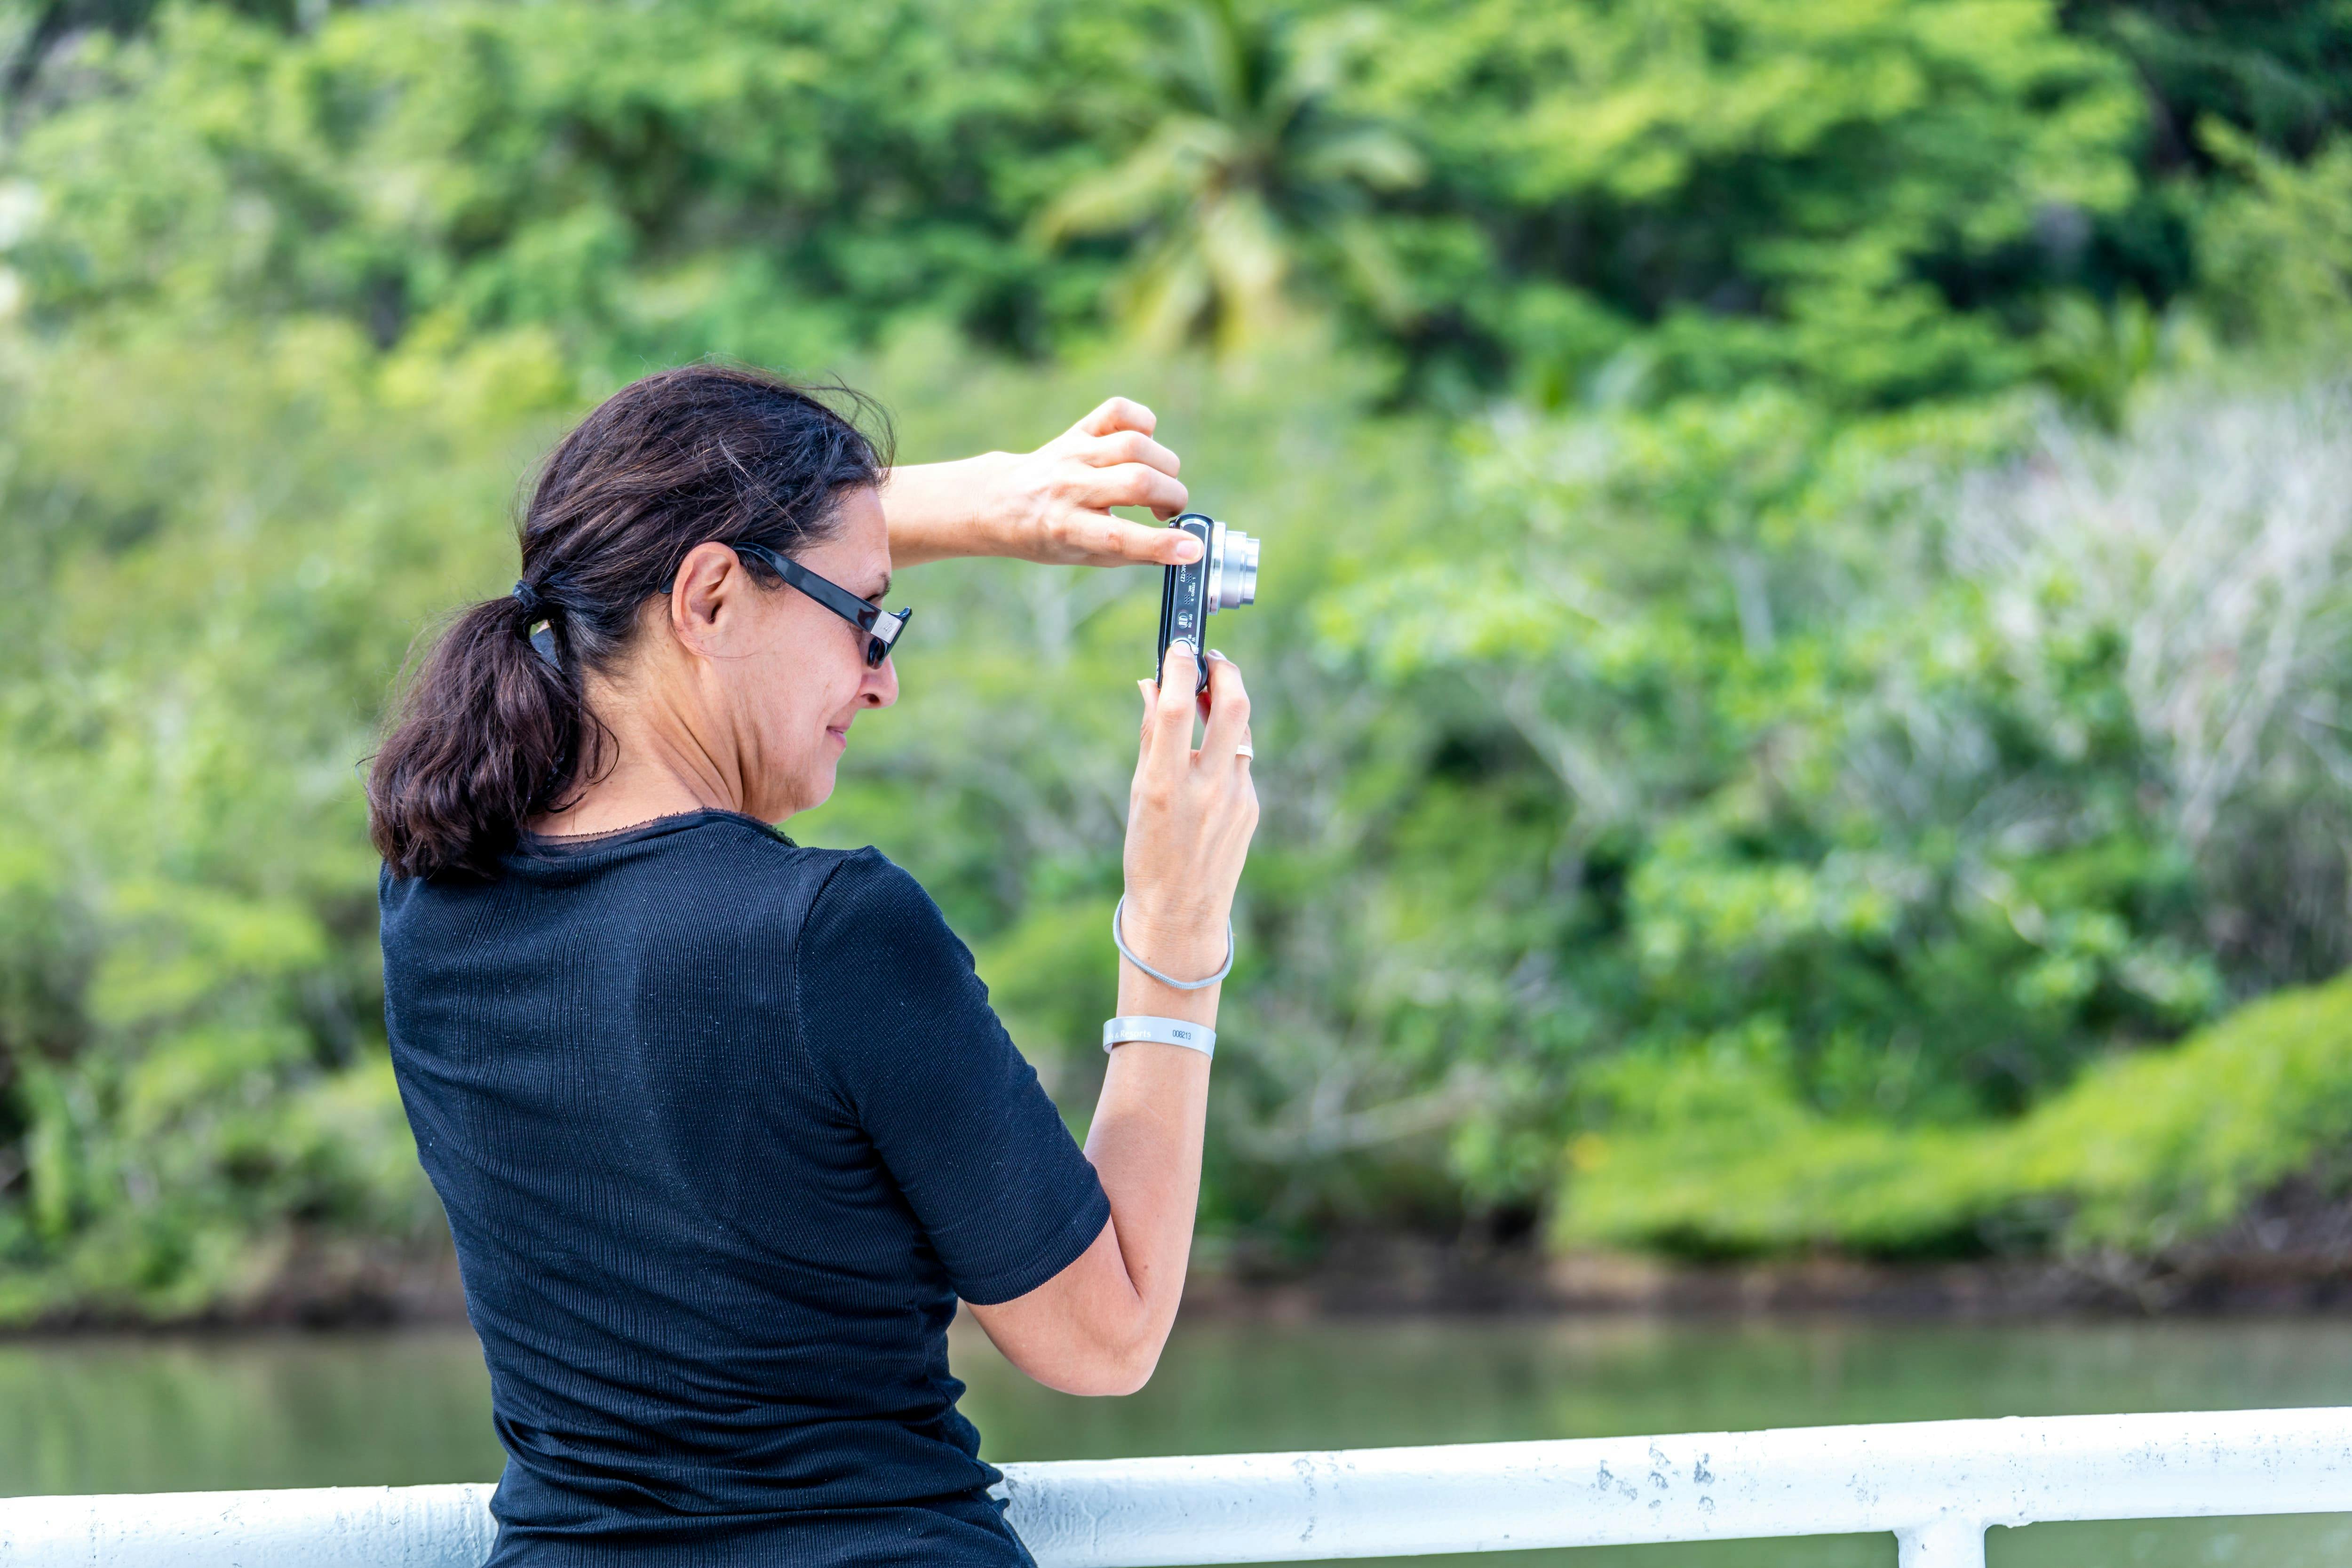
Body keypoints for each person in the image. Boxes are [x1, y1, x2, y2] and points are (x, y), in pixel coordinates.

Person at [365, 362, 1258, 1566]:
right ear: (709, 598)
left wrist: (957, 507)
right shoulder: (829, 932)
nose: (880, 679)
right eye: (866, 616)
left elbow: (595, 562)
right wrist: (1175, 921)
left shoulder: (431, 895)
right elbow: (1106, 1337)